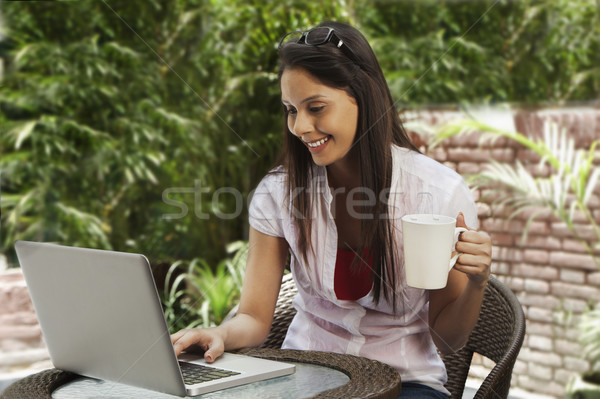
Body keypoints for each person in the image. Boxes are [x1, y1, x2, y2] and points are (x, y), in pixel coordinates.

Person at [171, 20, 492, 398]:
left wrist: (477, 281)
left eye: (316, 107)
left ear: (364, 96)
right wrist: (219, 333)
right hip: (303, 376)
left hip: (406, 384)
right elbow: (255, 319)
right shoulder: (278, 193)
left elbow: (448, 340)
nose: (301, 127)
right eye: (291, 110)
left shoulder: (437, 193)